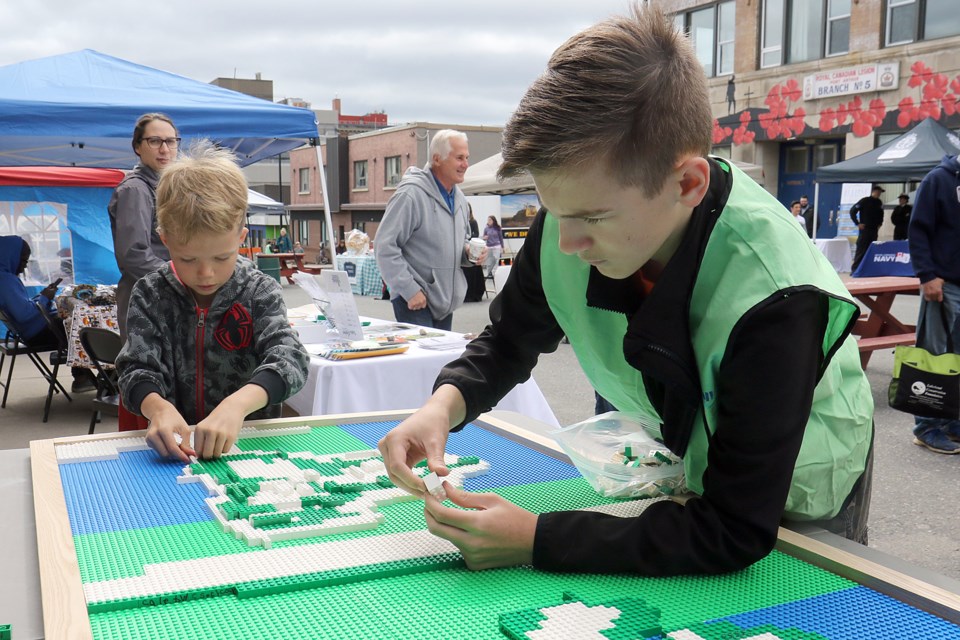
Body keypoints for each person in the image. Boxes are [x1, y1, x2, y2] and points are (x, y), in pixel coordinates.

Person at [377, 5, 874, 577]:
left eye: (590, 217)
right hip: (699, 474)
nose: (564, 243)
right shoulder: (573, 213)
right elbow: (512, 337)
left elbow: (735, 529)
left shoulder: (774, 293)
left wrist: (536, 538)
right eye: (552, 209)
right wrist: (443, 407)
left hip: (800, 486)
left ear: (688, 183)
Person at [116, 142, 308, 462]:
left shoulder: (259, 291)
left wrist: (238, 405)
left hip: (249, 449)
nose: (206, 273)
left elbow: (290, 359)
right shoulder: (150, 293)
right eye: (187, 258)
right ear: (165, 241)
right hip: (176, 449)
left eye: (222, 257)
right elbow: (135, 369)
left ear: (241, 238)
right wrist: (157, 408)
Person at [375, 129, 483, 330]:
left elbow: (458, 242)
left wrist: (468, 253)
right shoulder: (410, 195)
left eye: (467, 157)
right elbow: (384, 246)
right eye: (459, 158)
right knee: (424, 362)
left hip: (444, 302)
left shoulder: (459, 198)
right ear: (437, 159)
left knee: (441, 362)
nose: (466, 164)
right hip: (415, 300)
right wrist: (409, 289)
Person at [108, 113, 179, 341]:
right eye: (155, 141)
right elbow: (134, 257)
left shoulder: (166, 187)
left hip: (164, 299)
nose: (165, 149)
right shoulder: (136, 190)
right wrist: (184, 276)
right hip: (148, 303)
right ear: (138, 147)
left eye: (171, 141)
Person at [907, 155, 960, 454]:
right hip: (942, 284)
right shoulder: (938, 179)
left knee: (957, 359)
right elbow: (918, 230)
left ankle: (951, 420)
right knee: (934, 356)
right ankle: (926, 427)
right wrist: (927, 275)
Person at [0, 235, 96, 393]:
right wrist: (45, 298)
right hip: (38, 332)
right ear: (10, 256)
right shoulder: (6, 281)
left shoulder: (5, 279)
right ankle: (98, 375)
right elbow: (24, 315)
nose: (24, 267)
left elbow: (23, 307)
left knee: (74, 321)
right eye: (23, 261)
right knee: (85, 326)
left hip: (29, 331)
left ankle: (82, 375)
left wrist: (42, 296)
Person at [850, 185, 885, 271]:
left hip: (874, 230)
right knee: (861, 249)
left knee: (871, 249)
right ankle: (855, 269)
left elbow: (881, 214)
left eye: (880, 192)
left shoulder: (879, 203)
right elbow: (852, 211)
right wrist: (857, 223)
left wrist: (880, 223)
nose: (879, 194)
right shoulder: (865, 201)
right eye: (878, 192)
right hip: (865, 229)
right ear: (874, 191)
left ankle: (868, 269)